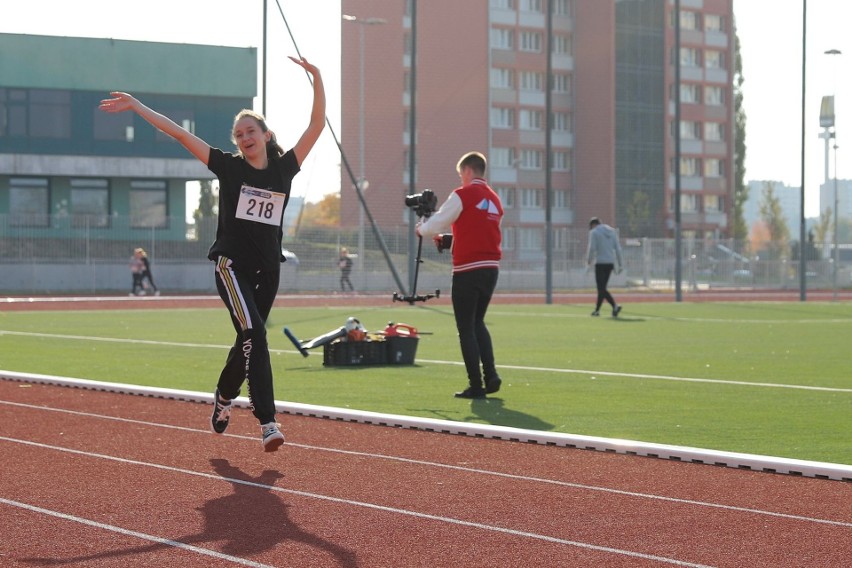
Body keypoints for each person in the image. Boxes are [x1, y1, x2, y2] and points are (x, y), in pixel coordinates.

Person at [99, 56, 326, 452]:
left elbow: (316, 125)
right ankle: (268, 422)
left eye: (250, 131)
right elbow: (180, 135)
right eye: (238, 134)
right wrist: (137, 106)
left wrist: (318, 79)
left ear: (266, 134)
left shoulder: (284, 169)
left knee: (247, 340)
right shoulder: (229, 167)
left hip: (268, 271)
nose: (243, 138)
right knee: (254, 333)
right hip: (231, 266)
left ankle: (224, 395)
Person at [417, 151, 503, 399]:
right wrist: (451, 242)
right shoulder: (495, 199)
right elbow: (479, 233)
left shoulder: (462, 194)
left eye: (460, 174)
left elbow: (437, 222)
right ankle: (492, 375)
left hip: (468, 269)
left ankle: (476, 385)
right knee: (478, 323)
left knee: (465, 327)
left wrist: (422, 229)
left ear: (466, 170)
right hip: (490, 269)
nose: (460, 179)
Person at [586, 216, 624, 317]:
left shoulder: (594, 232)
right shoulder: (612, 232)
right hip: (610, 263)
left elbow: (592, 248)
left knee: (601, 288)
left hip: (600, 263)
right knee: (602, 288)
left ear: (593, 225)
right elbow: (618, 249)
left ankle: (615, 306)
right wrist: (620, 264)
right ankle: (597, 310)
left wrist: (588, 260)